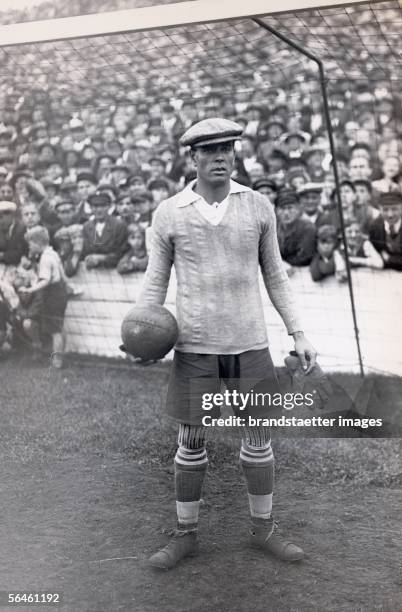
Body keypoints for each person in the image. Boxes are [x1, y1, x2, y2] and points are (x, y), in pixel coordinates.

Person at [137, 118, 317, 570]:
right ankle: (185, 535)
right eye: (210, 150)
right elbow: (154, 283)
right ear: (192, 157)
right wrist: (140, 334)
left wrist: (298, 331)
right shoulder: (169, 212)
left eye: (227, 149)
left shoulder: (257, 206)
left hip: (249, 345)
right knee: (192, 440)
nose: (220, 157)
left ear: (236, 155)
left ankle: (264, 530)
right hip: (196, 346)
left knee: (258, 438)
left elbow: (275, 274)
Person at [20, 225, 69, 368]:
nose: (29, 247)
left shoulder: (45, 259)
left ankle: (57, 360)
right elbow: (62, 274)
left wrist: (30, 289)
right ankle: (58, 357)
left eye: (30, 244)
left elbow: (45, 280)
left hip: (52, 294)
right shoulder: (53, 253)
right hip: (60, 292)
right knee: (58, 326)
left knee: (55, 330)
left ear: (36, 242)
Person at [369, 191, 402, 270]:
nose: (390, 214)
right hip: (383, 273)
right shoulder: (375, 226)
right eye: (385, 210)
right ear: (379, 210)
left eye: (394, 209)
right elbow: (376, 254)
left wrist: (389, 259)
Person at [82, 191, 129, 269]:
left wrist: (102, 258)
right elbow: (85, 251)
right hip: (93, 272)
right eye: (95, 206)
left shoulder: (119, 225)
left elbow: (122, 252)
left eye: (103, 206)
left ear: (109, 206)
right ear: (90, 207)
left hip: (114, 271)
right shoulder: (87, 227)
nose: (99, 210)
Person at [275, 189, 316, 268]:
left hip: (303, 272)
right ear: (276, 211)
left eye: (290, 208)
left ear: (298, 209)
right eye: (282, 208)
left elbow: (306, 257)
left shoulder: (307, 228)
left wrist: (282, 263)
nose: (286, 213)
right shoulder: (274, 227)